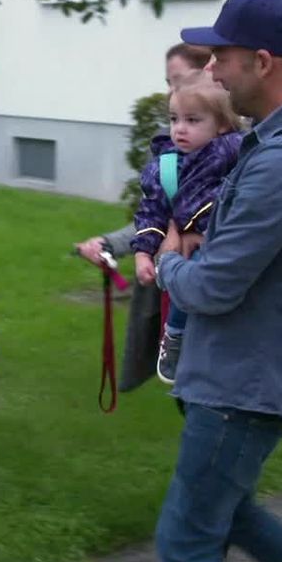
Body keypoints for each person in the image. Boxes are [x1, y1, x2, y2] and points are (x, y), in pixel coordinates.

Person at [151, 0, 282, 562]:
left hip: (246, 383)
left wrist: (167, 258)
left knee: (187, 541)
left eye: (222, 55)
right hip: (249, 370)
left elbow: (212, 285)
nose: (210, 68)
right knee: (230, 510)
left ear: (262, 62)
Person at [77, 43, 212, 392]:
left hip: (209, 299)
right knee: (190, 395)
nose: (171, 92)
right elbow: (153, 214)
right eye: (169, 82)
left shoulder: (231, 153)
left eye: (179, 81)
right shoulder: (174, 156)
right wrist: (114, 244)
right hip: (174, 285)